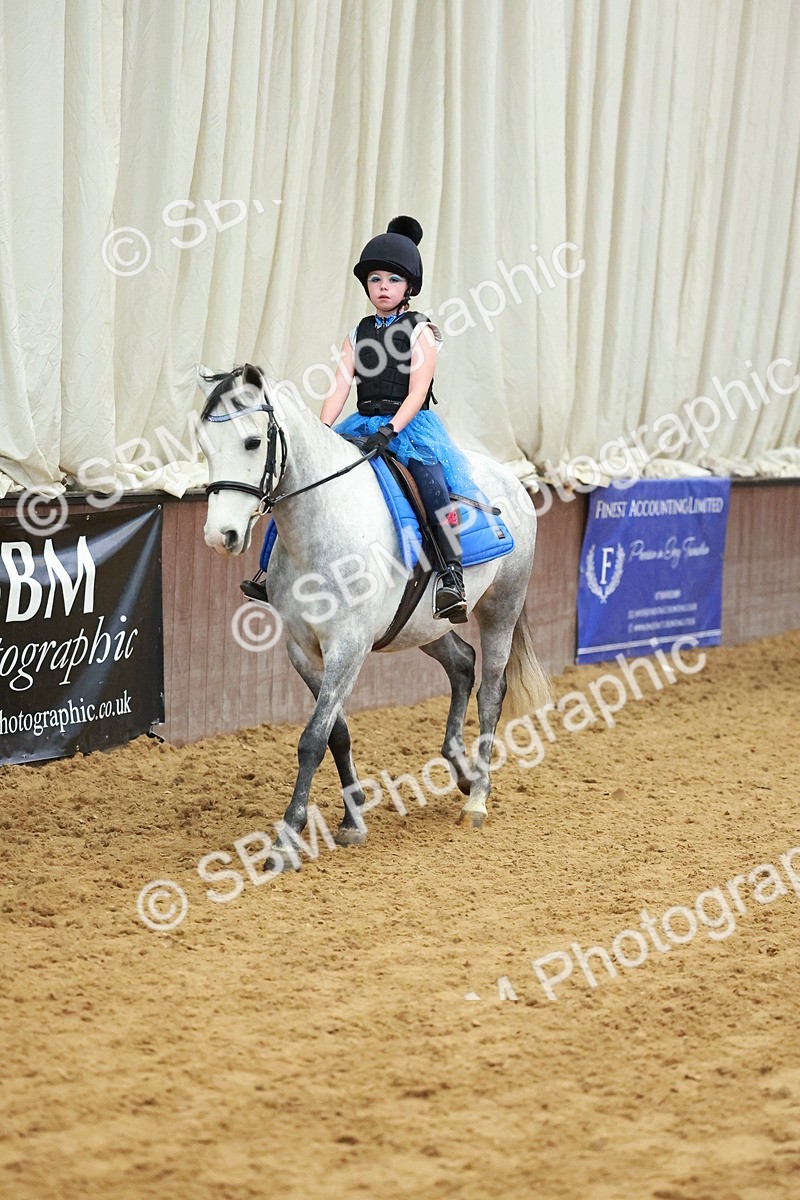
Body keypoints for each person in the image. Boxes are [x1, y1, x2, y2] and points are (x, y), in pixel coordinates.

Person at [320, 215, 473, 622]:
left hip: (409, 428)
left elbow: (418, 391)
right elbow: (339, 386)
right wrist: (321, 430)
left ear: (408, 287)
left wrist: (391, 430)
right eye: (375, 280)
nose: (383, 287)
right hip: (362, 423)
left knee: (433, 488)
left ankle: (451, 576)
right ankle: (271, 573)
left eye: (392, 280)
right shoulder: (358, 332)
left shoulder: (421, 330)